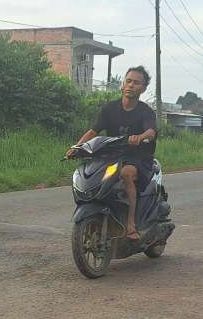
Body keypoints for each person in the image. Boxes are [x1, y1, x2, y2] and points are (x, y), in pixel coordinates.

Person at [66, 66, 157, 241]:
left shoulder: (145, 111)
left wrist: (141, 137)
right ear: (123, 84)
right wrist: (77, 147)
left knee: (125, 174)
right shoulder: (110, 108)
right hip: (112, 156)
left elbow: (151, 132)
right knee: (93, 173)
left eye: (136, 83)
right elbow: (94, 131)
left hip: (138, 158)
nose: (131, 85)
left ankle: (130, 225)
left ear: (143, 89)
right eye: (128, 81)